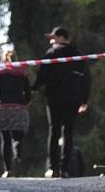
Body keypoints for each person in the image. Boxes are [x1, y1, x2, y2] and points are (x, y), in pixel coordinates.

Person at [35, 26, 90, 178]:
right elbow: (86, 78)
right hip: (73, 99)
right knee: (69, 132)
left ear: (61, 38)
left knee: (54, 131)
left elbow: (41, 75)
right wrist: (84, 99)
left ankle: (53, 168)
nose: (51, 41)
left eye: (53, 38)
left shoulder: (51, 54)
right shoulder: (77, 55)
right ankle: (65, 169)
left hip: (54, 99)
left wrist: (33, 88)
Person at [0, 50, 30, 178]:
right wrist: (23, 102)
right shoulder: (22, 73)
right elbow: (28, 94)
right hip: (19, 107)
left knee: (5, 139)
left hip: (3, 108)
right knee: (17, 138)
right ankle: (17, 157)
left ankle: (8, 170)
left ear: (4, 59)